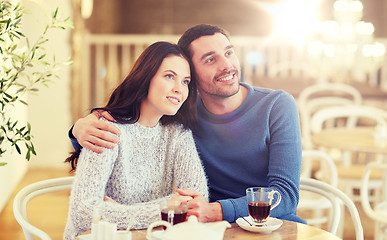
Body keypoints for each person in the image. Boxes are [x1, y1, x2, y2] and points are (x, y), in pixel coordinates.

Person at [69, 24, 305, 224]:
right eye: (211, 59)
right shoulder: (182, 116)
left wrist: (216, 210)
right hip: (207, 228)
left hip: (268, 225)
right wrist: (78, 130)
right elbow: (132, 130)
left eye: (229, 53)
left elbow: (285, 194)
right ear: (193, 76)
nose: (227, 65)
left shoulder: (278, 105)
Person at [64, 41, 208, 240]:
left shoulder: (178, 133)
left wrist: (120, 212)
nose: (179, 89)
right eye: (169, 76)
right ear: (145, 77)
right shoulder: (106, 128)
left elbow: (195, 199)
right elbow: (83, 214)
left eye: (185, 81)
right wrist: (164, 208)